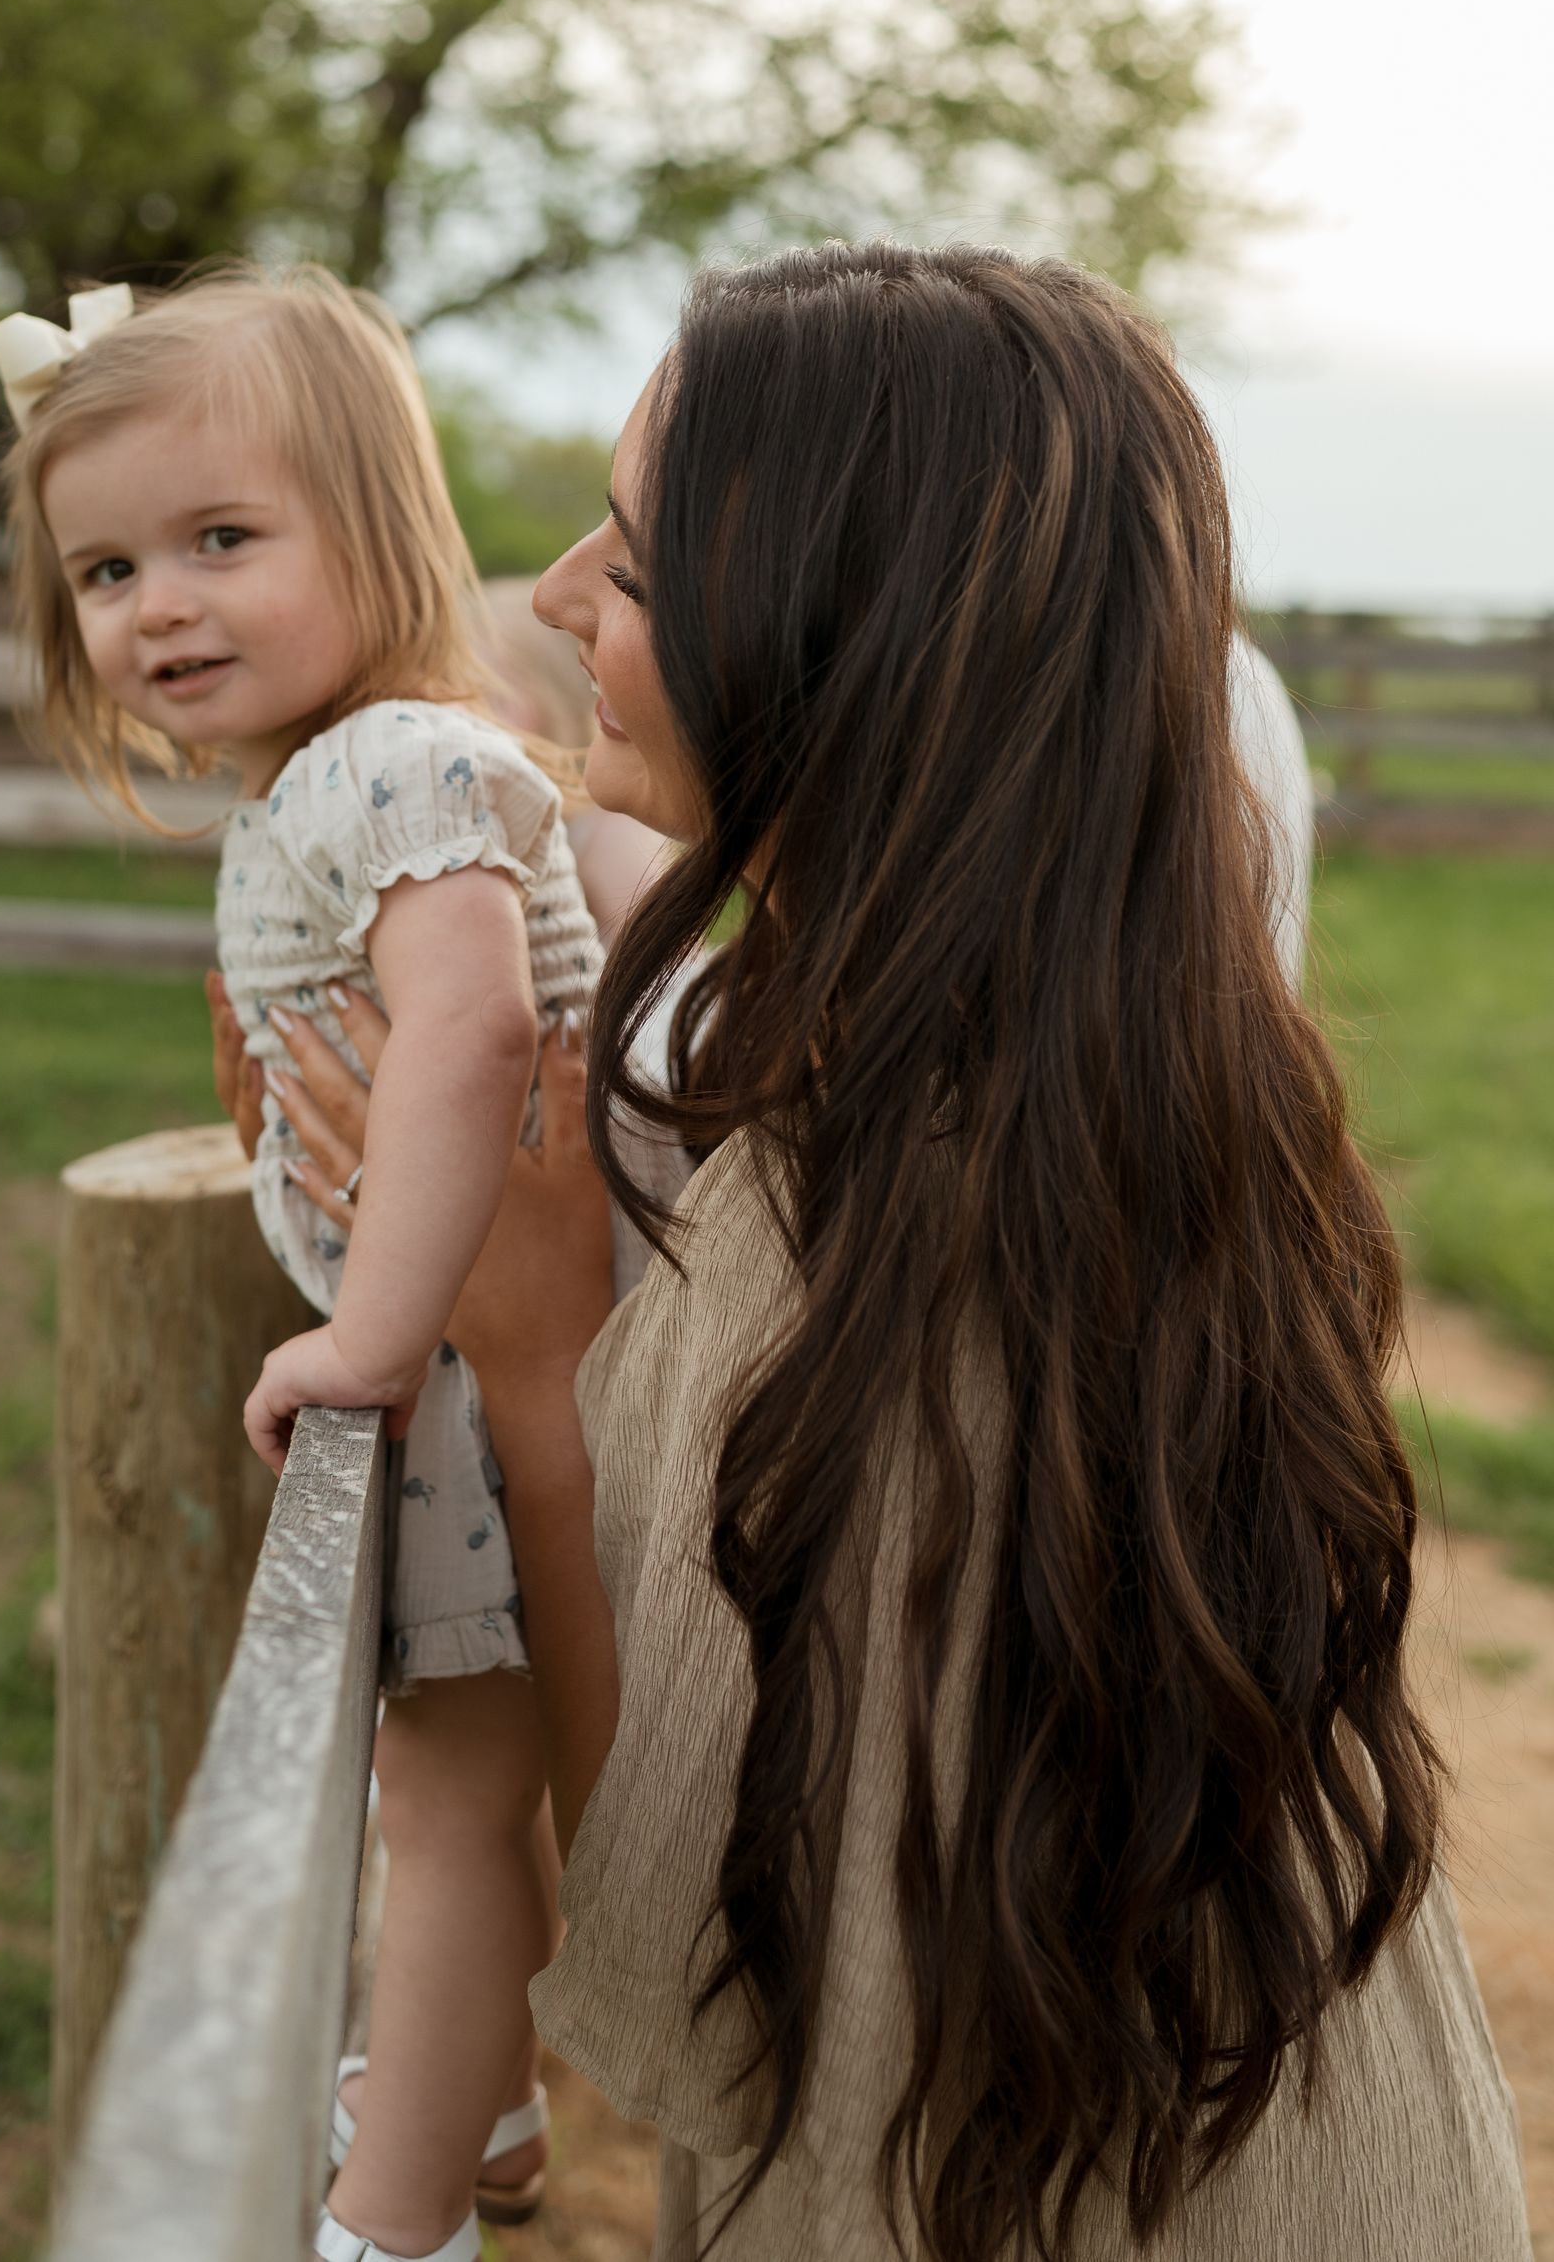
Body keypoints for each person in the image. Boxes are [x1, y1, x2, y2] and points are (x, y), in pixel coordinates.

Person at [243, 244, 1532, 2259]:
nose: (562, 594)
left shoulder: (855, 1218)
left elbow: (699, 1947)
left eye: (644, 569)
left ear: (841, 651)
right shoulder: (1131, 1093)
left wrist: (528, 1357)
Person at [0, 263, 614, 2262]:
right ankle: (488, 2109)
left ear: (386, 529)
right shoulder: (338, 775)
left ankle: (394, 2217)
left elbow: (479, 1036)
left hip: (476, 1367)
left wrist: (365, 1331)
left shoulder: (388, 764)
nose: (156, 605)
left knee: (438, 1802)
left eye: (221, 541)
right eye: (105, 572)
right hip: (474, 1352)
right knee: (463, 1789)